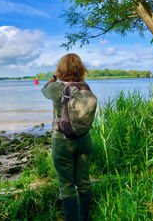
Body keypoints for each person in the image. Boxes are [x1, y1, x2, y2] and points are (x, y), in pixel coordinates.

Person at [41, 53, 97, 221]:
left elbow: (43, 90)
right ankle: (84, 218)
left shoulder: (56, 87)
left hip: (62, 140)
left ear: (61, 69)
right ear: (81, 69)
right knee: (84, 182)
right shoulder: (85, 87)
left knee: (66, 186)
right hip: (84, 139)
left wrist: (53, 78)